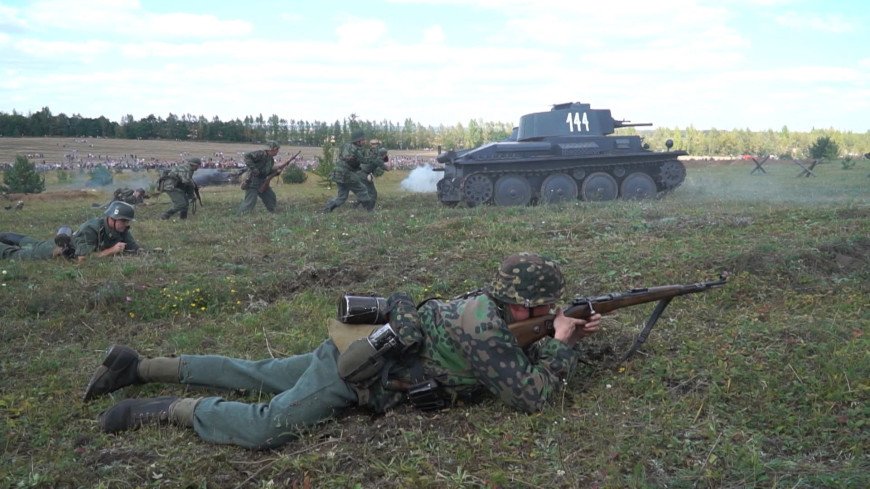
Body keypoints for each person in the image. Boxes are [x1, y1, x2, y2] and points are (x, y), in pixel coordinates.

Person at [82, 252, 601, 449]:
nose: (552, 311)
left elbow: (509, 357)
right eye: (547, 306)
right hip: (353, 376)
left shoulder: (483, 308)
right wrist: (562, 344)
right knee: (265, 426)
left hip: (349, 349)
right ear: (525, 305)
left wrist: (554, 332)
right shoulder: (487, 330)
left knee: (257, 371)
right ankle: (163, 409)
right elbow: (534, 398)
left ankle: (139, 364)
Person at [71, 201, 141, 262]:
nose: (126, 224)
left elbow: (134, 249)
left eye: (127, 221)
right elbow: (83, 258)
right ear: (112, 218)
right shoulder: (90, 229)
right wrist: (112, 250)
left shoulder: (121, 228)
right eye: (123, 221)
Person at [323, 131, 375, 212]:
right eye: (363, 140)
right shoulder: (356, 150)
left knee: (342, 197)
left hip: (337, 173)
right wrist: (373, 156)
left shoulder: (346, 145)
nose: (364, 141)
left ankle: (327, 209)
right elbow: (365, 160)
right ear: (358, 141)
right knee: (363, 189)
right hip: (346, 173)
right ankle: (369, 210)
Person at [238, 141, 281, 214]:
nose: (278, 151)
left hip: (262, 182)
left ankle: (273, 211)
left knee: (270, 197)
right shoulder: (261, 154)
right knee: (250, 201)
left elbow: (266, 172)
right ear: (272, 149)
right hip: (252, 180)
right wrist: (254, 169)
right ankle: (242, 215)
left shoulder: (271, 160)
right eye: (277, 149)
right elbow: (247, 156)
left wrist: (276, 172)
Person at [0, 226, 75, 261]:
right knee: (11, 252)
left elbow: (65, 229)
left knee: (10, 250)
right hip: (44, 248)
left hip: (46, 247)